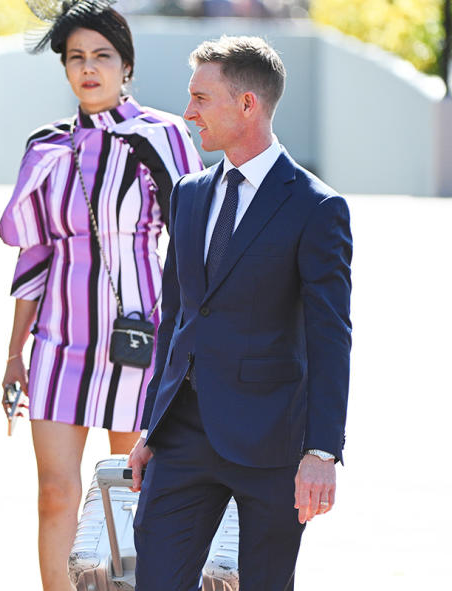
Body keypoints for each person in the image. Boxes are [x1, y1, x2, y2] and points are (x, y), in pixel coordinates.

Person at [126, 36, 352, 590]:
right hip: (183, 435)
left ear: (247, 104)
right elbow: (176, 318)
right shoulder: (189, 193)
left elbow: (331, 337)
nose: (188, 112)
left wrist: (322, 451)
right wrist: (153, 424)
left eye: (202, 98)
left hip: (274, 442)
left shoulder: (316, 207)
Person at [0, 2, 202, 589]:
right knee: (56, 493)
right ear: (65, 68)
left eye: (102, 57)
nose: (89, 69)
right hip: (59, 345)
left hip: (140, 342)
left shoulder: (162, 135)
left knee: (138, 494)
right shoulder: (46, 148)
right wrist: (14, 354)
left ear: (126, 66)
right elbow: (32, 255)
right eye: (77, 58)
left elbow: (190, 245)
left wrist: (191, 348)